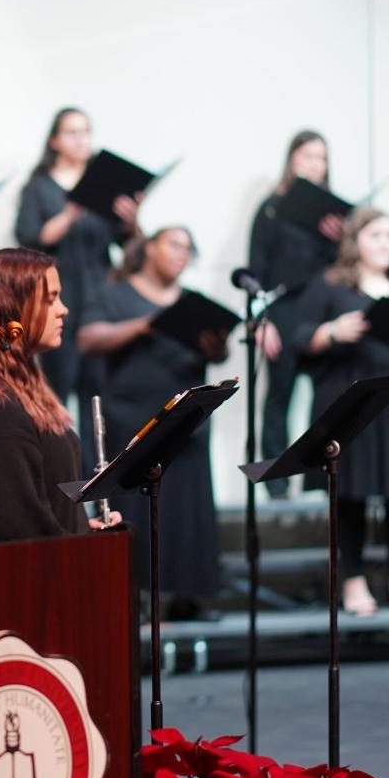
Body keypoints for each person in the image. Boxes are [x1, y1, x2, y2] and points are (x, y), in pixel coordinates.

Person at [293, 207, 389, 615]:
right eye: (375, 235)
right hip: (352, 400)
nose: (384, 244)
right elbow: (300, 338)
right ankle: (353, 580)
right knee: (351, 494)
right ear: (355, 239)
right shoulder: (331, 284)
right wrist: (332, 332)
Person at [78, 227, 229, 620]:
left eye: (188, 249)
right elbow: (89, 338)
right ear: (149, 247)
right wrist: (144, 325)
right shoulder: (115, 293)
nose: (182, 254)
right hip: (131, 416)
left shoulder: (192, 303)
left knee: (186, 507)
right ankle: (137, 595)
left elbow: (217, 350)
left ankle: (186, 595)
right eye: (175, 244)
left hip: (186, 419)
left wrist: (217, 348)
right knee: (137, 505)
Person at [0, 247, 121, 543]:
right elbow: (13, 522)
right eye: (50, 299)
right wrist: (79, 546)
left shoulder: (23, 387)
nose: (63, 309)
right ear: (13, 306)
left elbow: (43, 506)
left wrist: (83, 529)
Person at [14, 107, 140, 467]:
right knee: (58, 387)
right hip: (58, 299)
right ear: (54, 141)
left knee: (99, 392)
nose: (81, 139)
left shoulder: (105, 185)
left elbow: (128, 248)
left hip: (100, 297)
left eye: (86, 131)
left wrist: (132, 221)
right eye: (71, 132)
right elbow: (30, 240)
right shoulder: (39, 187)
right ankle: (62, 476)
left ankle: (103, 477)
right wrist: (71, 212)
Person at [249, 130, 344, 497]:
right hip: (283, 310)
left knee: (330, 399)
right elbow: (255, 271)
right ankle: (277, 488)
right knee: (279, 397)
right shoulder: (272, 207)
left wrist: (340, 239)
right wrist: (261, 322)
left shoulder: (335, 216)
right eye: (307, 156)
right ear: (291, 159)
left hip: (321, 312)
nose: (314, 164)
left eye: (321, 158)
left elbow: (345, 273)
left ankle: (322, 481)